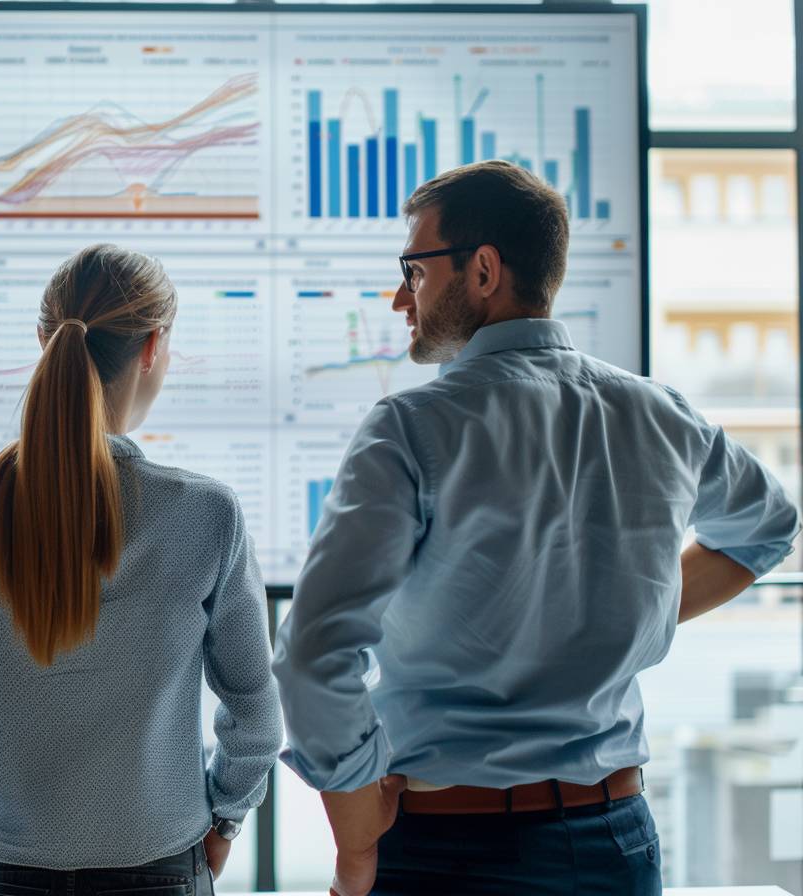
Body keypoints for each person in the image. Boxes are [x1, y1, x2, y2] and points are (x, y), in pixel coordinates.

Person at [271, 161, 800, 895]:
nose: (401, 297)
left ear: (483, 270)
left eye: (414, 271)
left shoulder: (413, 427)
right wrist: (632, 610)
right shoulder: (660, 414)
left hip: (446, 853)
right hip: (617, 842)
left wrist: (357, 840)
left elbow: (314, 653)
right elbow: (767, 528)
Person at [0, 243, 282, 895]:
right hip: (161, 871)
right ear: (154, 347)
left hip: (8, 875)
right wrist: (226, 818)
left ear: (43, 340)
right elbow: (256, 717)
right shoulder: (204, 512)